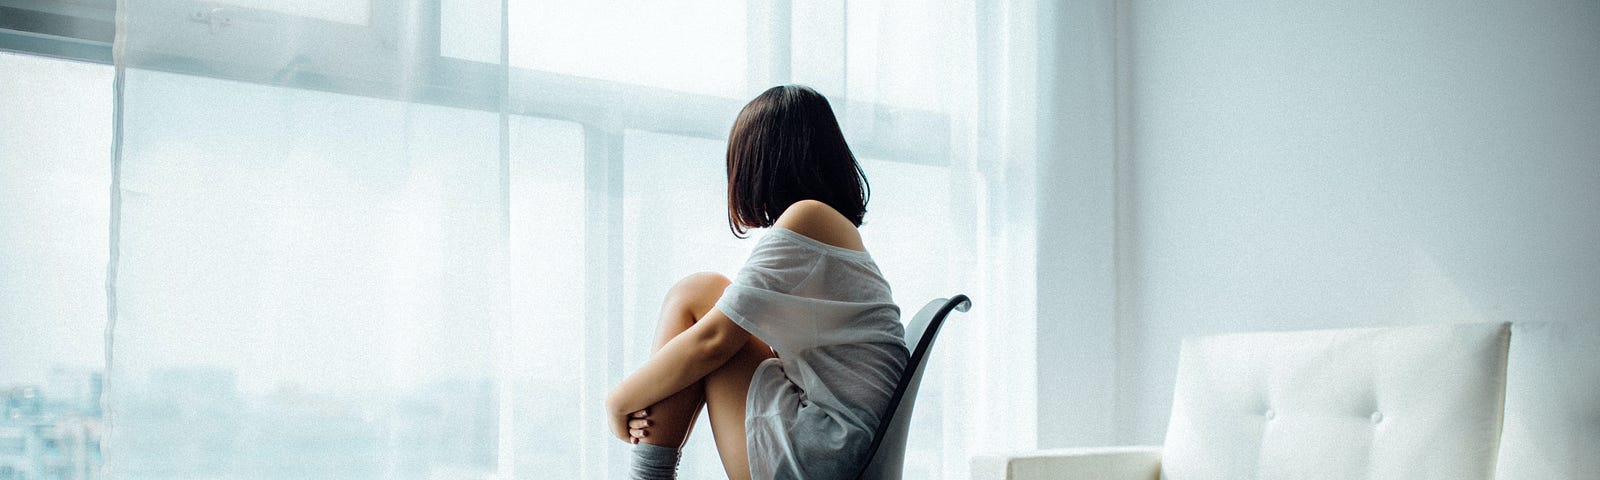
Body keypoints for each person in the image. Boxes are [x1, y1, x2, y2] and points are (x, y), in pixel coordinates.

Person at [605, 85, 906, 480]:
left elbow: (712, 342)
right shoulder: (831, 230)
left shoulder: (808, 217)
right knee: (708, 295)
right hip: (838, 447)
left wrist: (617, 401)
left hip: (823, 454)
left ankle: (646, 476)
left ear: (761, 163)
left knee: (697, 295)